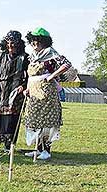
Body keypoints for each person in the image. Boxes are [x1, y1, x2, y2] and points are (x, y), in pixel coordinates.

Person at [23, 27, 72, 160]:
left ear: (44, 41)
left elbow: (67, 65)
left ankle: (47, 150)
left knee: (46, 122)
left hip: (46, 93)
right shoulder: (32, 56)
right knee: (35, 120)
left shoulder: (50, 53)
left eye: (38, 41)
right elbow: (30, 76)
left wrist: (51, 76)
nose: (35, 43)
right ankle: (38, 149)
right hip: (33, 94)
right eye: (33, 41)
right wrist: (28, 88)